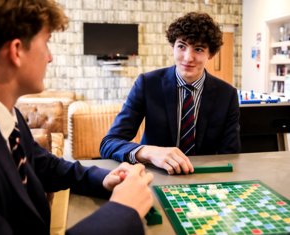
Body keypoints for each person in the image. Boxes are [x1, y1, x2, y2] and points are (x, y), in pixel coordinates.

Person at [0, 1, 153, 235]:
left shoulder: (3, 113)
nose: (50, 57)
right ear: (17, 51)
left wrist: (104, 178)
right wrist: (123, 210)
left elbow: (45, 166)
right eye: (46, 42)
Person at [100, 12, 241, 175]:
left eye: (199, 49)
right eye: (181, 46)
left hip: (204, 178)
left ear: (211, 54)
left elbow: (231, 156)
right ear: (172, 47)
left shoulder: (227, 95)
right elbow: (109, 143)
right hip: (155, 175)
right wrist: (148, 152)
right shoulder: (147, 84)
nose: (188, 58)